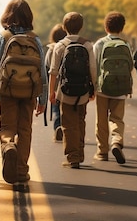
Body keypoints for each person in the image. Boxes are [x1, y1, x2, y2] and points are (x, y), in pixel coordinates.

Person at [0, 0, 48, 190]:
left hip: (7, 91)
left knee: (8, 126)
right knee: (25, 129)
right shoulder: (34, 39)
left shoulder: (3, 37)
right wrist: (42, 99)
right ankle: (21, 170)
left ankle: (8, 145)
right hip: (29, 93)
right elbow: (42, 71)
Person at [48, 12, 96, 169]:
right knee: (80, 121)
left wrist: (51, 92)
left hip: (65, 91)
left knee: (68, 124)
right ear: (81, 27)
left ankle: (72, 157)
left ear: (64, 27)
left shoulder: (60, 46)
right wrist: (93, 88)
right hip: (82, 91)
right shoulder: (87, 45)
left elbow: (53, 71)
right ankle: (80, 153)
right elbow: (93, 69)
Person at [92, 11, 133, 164]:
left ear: (105, 27)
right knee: (117, 119)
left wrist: (93, 87)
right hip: (120, 89)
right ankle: (116, 141)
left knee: (101, 121)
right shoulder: (126, 45)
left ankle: (102, 151)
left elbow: (94, 67)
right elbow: (130, 66)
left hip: (102, 89)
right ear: (122, 28)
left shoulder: (100, 44)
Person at [46, 24, 66, 143]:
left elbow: (47, 67)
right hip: (67, 84)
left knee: (56, 109)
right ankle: (65, 127)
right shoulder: (68, 47)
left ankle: (57, 126)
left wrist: (49, 89)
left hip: (54, 85)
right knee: (66, 108)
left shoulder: (52, 49)